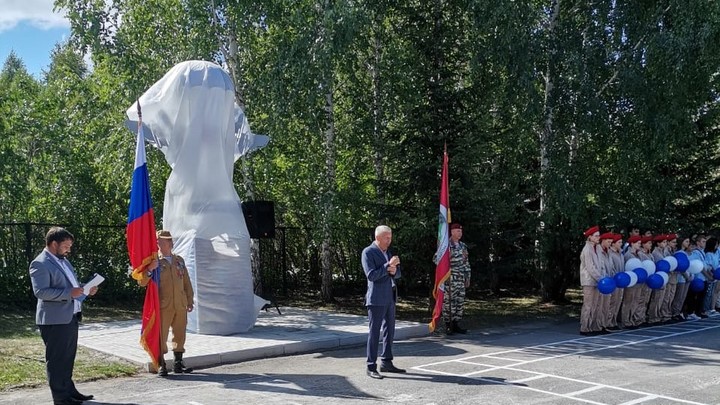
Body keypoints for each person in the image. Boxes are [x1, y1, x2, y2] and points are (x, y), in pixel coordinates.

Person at [29, 227, 98, 405]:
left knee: (67, 358)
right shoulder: (40, 263)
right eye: (66, 246)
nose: (69, 249)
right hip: (54, 320)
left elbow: (73, 287)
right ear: (54, 244)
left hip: (70, 317)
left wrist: (86, 288)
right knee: (57, 360)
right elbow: (41, 292)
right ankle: (60, 398)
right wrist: (70, 293)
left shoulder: (64, 261)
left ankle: (70, 391)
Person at [139, 230, 195, 376]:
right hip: (163, 305)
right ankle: (161, 363)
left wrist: (189, 300)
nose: (166, 243)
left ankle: (178, 363)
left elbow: (186, 282)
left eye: (168, 240)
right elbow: (142, 281)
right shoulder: (154, 261)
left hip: (180, 304)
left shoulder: (179, 260)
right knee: (161, 335)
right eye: (162, 241)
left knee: (180, 334)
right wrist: (150, 269)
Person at [361, 225, 405, 379]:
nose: (389, 240)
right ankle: (371, 365)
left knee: (389, 331)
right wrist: (388, 266)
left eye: (390, 237)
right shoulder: (368, 252)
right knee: (374, 332)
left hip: (390, 296)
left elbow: (396, 274)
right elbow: (371, 275)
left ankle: (386, 362)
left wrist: (394, 270)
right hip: (376, 299)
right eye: (386, 237)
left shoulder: (388, 253)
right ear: (377, 237)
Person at [443, 223, 472, 335]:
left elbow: (466, 263)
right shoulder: (446, 246)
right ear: (452, 232)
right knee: (449, 303)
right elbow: (437, 260)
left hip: (461, 278)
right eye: (458, 231)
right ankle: (448, 325)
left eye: (461, 231)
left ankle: (456, 324)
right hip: (450, 279)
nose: (460, 233)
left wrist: (467, 277)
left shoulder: (463, 246)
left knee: (459, 302)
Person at [579, 226, 604, 336]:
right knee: (588, 305)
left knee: (595, 304)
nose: (598, 237)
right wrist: (600, 278)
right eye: (596, 236)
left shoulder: (597, 248)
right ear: (590, 237)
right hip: (589, 280)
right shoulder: (587, 249)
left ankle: (593, 326)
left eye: (599, 235)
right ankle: (585, 327)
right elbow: (590, 267)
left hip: (598, 280)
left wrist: (602, 277)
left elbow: (601, 264)